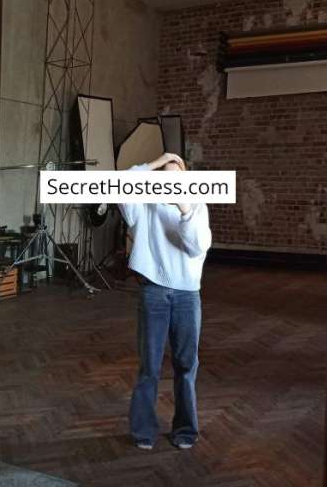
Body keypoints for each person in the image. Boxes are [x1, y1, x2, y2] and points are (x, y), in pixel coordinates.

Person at [118, 152, 212, 451]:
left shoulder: (196, 204)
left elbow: (198, 246)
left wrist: (184, 208)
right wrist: (156, 162)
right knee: (150, 365)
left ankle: (186, 430)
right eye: (165, 176)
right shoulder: (144, 204)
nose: (170, 182)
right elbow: (122, 183)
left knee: (186, 364)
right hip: (154, 292)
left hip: (187, 295)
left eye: (177, 176)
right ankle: (143, 432)